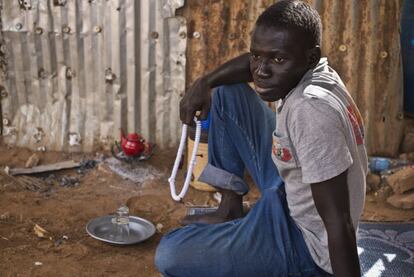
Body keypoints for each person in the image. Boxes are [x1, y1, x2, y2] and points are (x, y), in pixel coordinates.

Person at [155, 1, 367, 276]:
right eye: (257, 56)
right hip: (291, 190)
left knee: (171, 252)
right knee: (225, 93)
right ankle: (230, 208)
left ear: (310, 57)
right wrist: (204, 83)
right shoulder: (316, 71)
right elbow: (258, 63)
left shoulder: (311, 110)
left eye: (278, 59)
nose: (261, 71)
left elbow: (338, 222)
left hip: (304, 243)